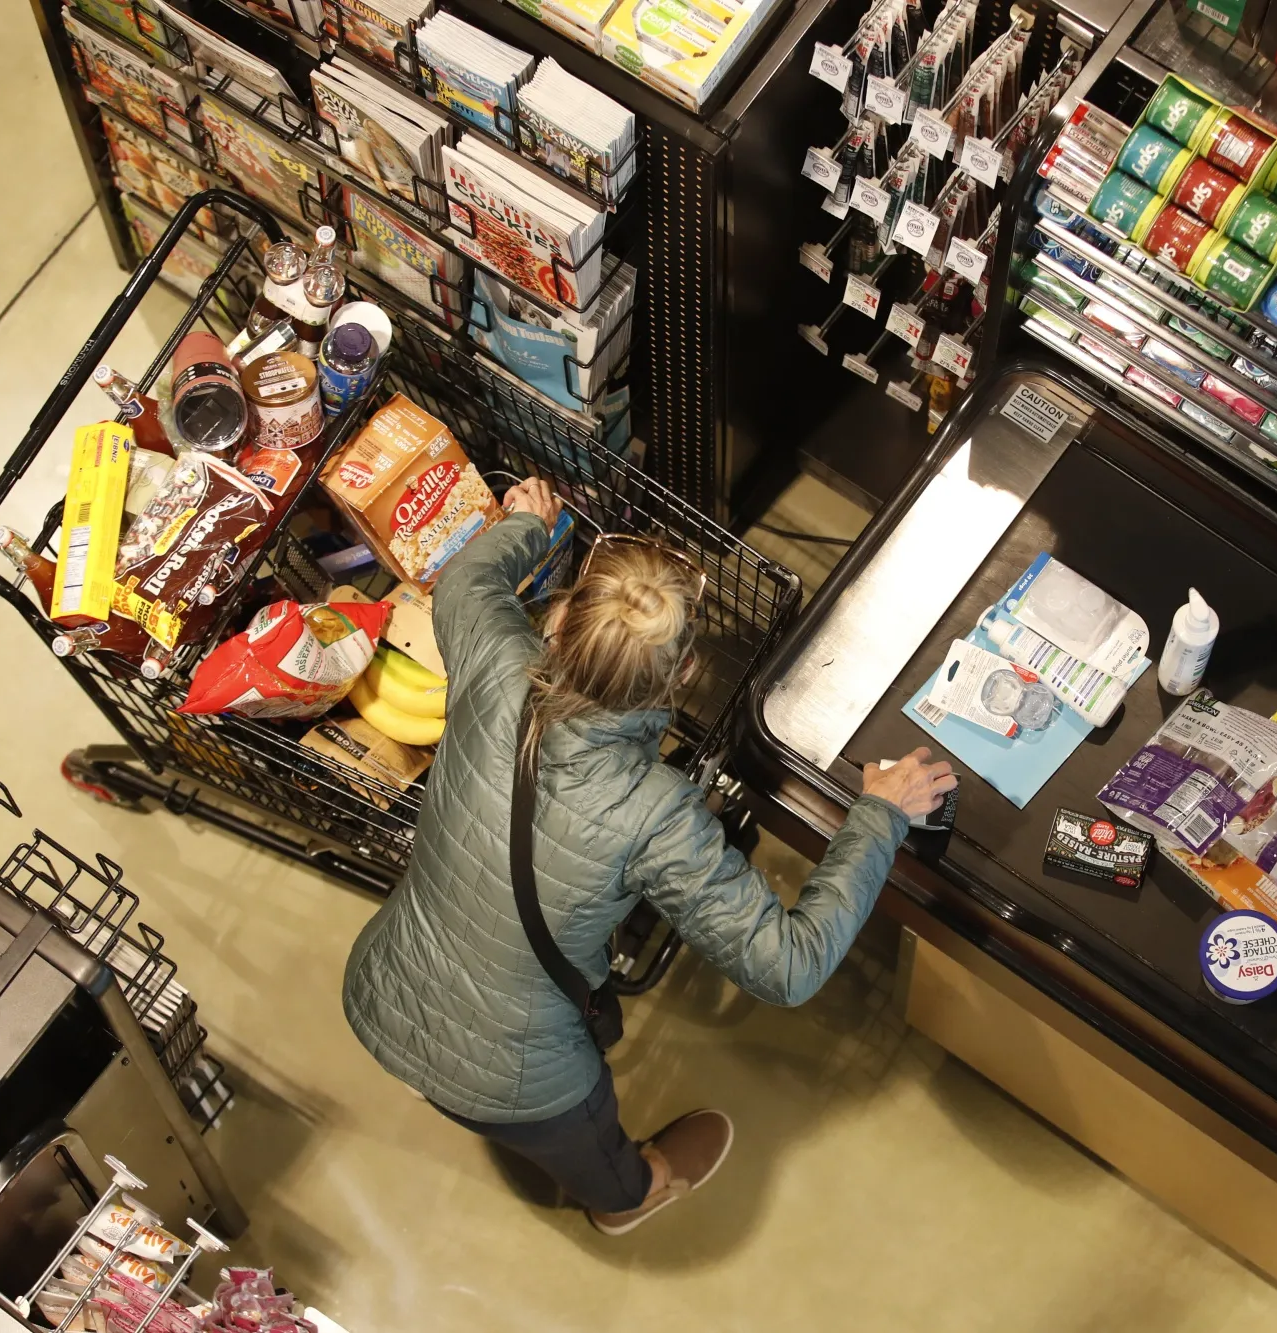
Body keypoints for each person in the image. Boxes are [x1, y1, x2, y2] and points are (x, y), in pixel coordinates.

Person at [343, 479, 956, 1235]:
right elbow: (789, 965)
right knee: (601, 1158)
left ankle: (434, 1077)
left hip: (382, 984)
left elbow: (465, 581)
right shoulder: (655, 811)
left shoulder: (495, 660)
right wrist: (880, 815)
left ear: (562, 618)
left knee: (462, 1043)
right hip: (528, 1080)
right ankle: (633, 1196)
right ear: (684, 676)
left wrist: (526, 526)